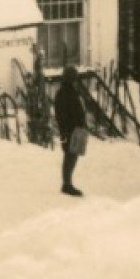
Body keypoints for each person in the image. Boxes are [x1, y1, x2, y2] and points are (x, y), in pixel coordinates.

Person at [54, 65, 87, 197]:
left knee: (71, 155)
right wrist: (74, 127)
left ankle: (67, 183)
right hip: (71, 130)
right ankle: (67, 185)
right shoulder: (67, 93)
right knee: (70, 155)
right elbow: (65, 113)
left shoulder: (66, 92)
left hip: (70, 129)